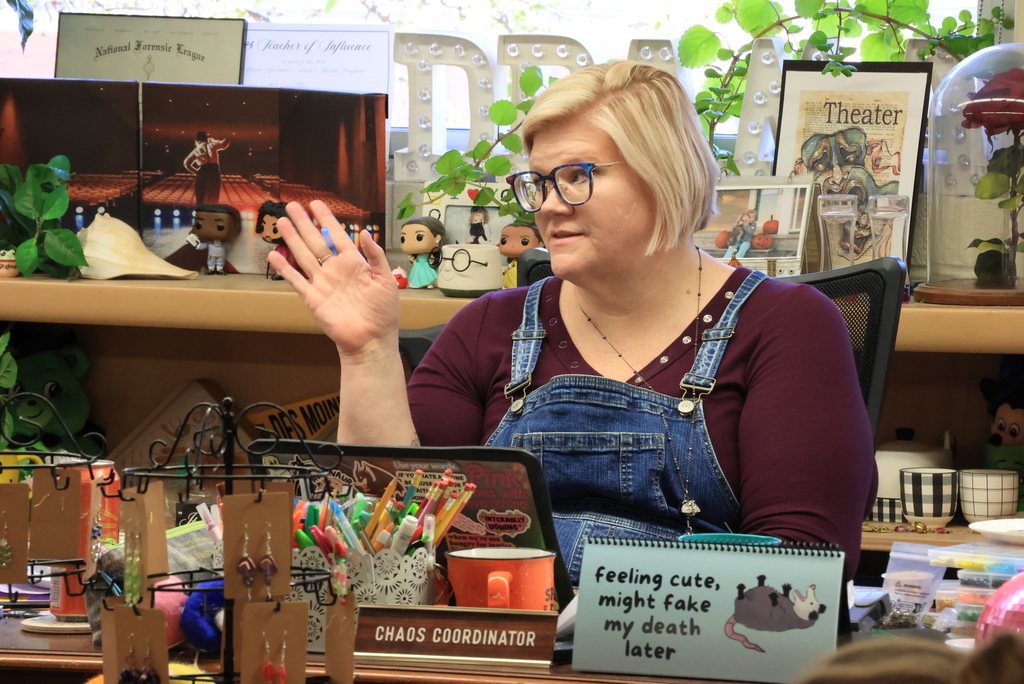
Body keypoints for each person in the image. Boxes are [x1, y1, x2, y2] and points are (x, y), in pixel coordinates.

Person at [268, 61, 876, 585]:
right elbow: (390, 536)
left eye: (578, 176)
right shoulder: (488, 326)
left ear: (663, 173)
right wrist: (367, 350)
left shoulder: (787, 325)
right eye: (539, 182)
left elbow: (805, 566)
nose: (551, 204)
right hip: (501, 653)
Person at [184, 131, 230, 205]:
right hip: (214, 172)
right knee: (213, 197)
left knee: (200, 197)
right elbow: (224, 144)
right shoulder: (213, 144)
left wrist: (196, 171)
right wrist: (214, 140)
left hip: (203, 172)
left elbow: (186, 163)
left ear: (197, 141)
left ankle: (201, 213)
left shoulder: (197, 149)